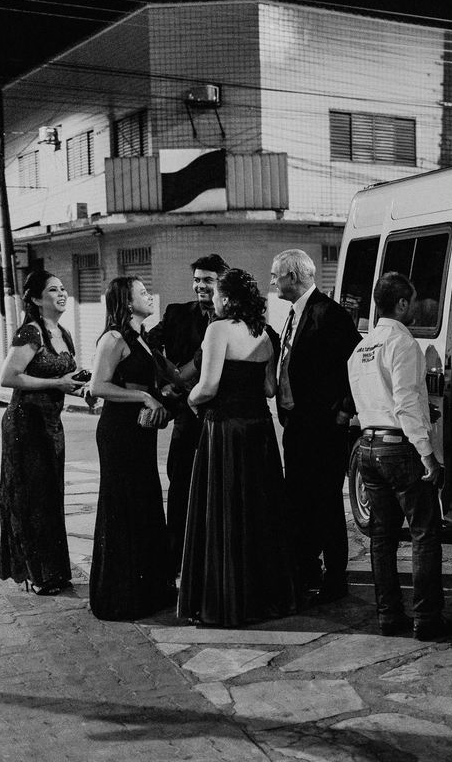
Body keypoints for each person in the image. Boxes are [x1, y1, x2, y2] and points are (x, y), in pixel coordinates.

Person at [178, 268, 299, 626]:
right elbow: (269, 390)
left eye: (215, 293)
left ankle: (226, 601)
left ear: (227, 299)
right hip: (258, 431)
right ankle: (264, 598)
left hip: (225, 430)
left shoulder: (217, 329)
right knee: (259, 513)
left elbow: (208, 386)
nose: (211, 299)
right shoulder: (265, 333)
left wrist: (189, 400)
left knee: (225, 512)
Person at [347, 272, 452, 640]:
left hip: (368, 446)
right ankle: (427, 619)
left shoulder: (362, 347)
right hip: (400, 449)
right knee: (425, 533)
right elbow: (406, 402)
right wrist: (428, 455)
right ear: (402, 304)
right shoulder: (404, 343)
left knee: (382, 537)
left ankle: (388, 616)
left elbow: (376, 401)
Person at [271, 248, 361, 604]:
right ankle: (307, 568)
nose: (272, 281)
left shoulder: (328, 313)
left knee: (324, 503)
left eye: (276, 275)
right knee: (299, 501)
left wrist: (345, 410)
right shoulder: (293, 314)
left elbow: (354, 363)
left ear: (294, 277)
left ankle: (335, 576)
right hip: (297, 425)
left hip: (324, 427)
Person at [88, 277, 175, 621]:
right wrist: (142, 395)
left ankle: (149, 591)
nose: (149, 295)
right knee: (123, 505)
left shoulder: (142, 337)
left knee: (144, 503)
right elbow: (98, 386)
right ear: (126, 301)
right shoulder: (113, 338)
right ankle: (120, 596)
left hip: (141, 431)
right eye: (141, 292)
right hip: (119, 431)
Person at [0, 270, 85, 595]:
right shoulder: (30, 333)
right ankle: (38, 574)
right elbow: (8, 377)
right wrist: (55, 384)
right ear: (35, 299)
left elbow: (68, 378)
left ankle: (54, 572)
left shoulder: (62, 332)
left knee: (51, 498)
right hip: (25, 424)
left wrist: (82, 390)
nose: (61, 294)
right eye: (52, 290)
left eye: (63, 289)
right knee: (32, 499)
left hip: (51, 426)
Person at [148, 253, 229, 578]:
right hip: (186, 419)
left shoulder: (232, 320)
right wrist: (166, 386)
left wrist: (181, 381)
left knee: (219, 492)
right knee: (181, 487)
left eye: (207, 280)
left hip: (222, 418)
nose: (200, 286)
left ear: (221, 281)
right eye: (197, 280)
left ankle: (215, 561)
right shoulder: (178, 314)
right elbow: (144, 345)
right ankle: (178, 560)